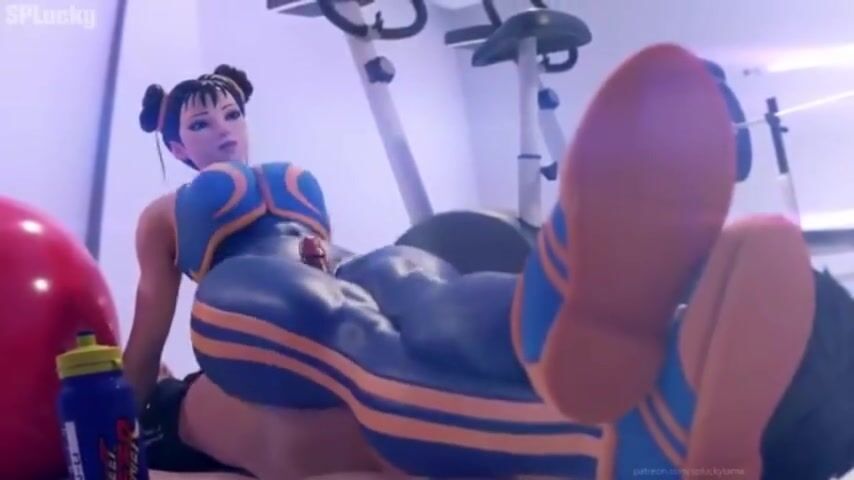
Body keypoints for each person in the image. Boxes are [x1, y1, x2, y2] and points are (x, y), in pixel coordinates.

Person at [123, 45, 853, 480]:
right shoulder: (163, 214)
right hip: (248, 291)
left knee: (435, 297)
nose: (222, 130)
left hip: (348, 268)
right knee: (369, 345)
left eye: (230, 114)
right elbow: (150, 332)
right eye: (200, 124)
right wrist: (127, 410)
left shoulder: (286, 178)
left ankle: (636, 331)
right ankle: (623, 426)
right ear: (176, 146)